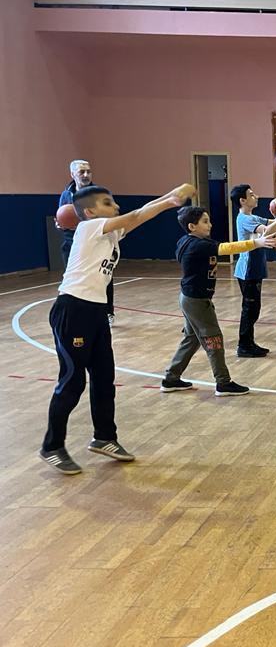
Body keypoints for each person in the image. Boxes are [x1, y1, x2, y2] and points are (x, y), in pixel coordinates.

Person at [41, 182, 195, 475]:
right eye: (108, 203)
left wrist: (171, 195)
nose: (116, 206)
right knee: (73, 381)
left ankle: (105, 438)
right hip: (73, 310)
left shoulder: (109, 233)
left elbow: (142, 213)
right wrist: (170, 201)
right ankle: (52, 446)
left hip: (96, 312)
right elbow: (135, 215)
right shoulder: (88, 228)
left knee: (104, 378)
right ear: (90, 211)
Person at [162, 206, 276, 396]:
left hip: (190, 298)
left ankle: (171, 379)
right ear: (192, 226)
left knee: (192, 339)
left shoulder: (193, 241)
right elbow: (227, 248)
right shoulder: (197, 245)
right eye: (205, 221)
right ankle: (223, 383)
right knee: (214, 340)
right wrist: (257, 242)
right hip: (196, 301)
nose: (210, 224)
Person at [231, 185, 276, 357]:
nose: (256, 196)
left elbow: (271, 224)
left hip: (255, 269)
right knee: (250, 309)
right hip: (247, 271)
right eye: (251, 194)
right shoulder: (244, 219)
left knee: (254, 309)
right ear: (242, 200)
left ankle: (249, 343)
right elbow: (268, 231)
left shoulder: (253, 217)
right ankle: (244, 346)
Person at [58, 159, 115, 326]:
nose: (86, 175)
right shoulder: (66, 195)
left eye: (88, 171)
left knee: (104, 275)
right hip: (72, 241)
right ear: (72, 174)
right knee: (72, 277)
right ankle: (75, 312)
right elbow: (63, 215)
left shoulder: (98, 194)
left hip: (95, 241)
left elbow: (107, 218)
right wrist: (61, 223)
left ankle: (108, 311)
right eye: (81, 172)